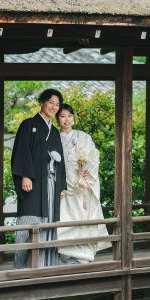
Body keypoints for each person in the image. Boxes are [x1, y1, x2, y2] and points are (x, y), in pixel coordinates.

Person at [10, 88, 67, 268]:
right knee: (28, 220)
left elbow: (61, 160)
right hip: (33, 181)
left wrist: (62, 186)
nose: (54, 107)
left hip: (51, 183)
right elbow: (21, 152)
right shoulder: (28, 125)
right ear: (41, 102)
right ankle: (21, 266)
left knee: (48, 220)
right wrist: (25, 175)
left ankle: (45, 263)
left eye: (57, 104)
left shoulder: (55, 132)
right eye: (51, 102)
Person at [56, 103, 111, 264]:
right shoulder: (55, 137)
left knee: (83, 218)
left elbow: (94, 158)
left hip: (82, 186)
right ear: (58, 118)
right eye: (63, 116)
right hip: (65, 187)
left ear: (74, 118)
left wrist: (87, 170)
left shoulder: (84, 137)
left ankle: (84, 255)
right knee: (66, 221)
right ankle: (66, 254)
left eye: (70, 116)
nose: (67, 120)